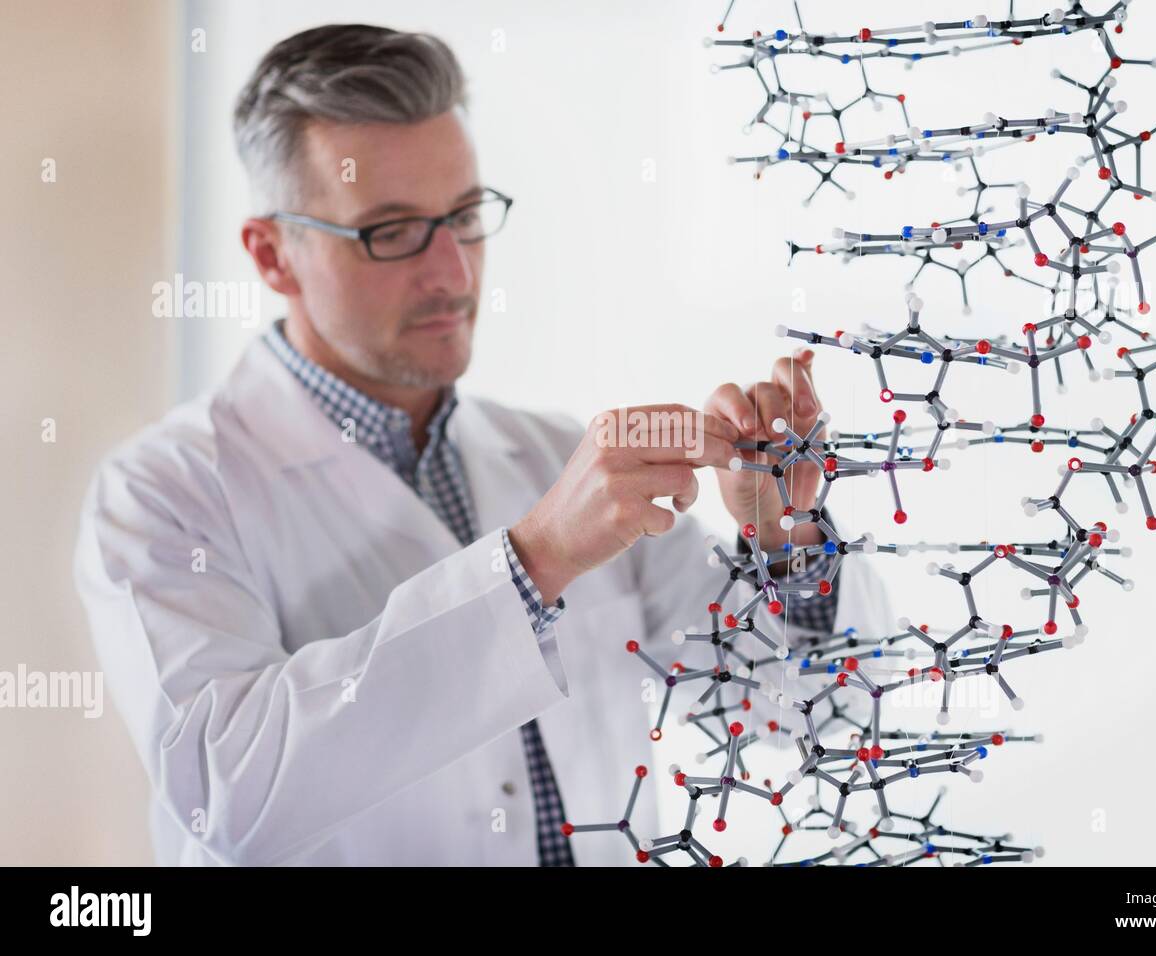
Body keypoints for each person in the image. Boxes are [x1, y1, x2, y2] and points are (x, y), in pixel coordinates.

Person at [74, 23, 889, 866]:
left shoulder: (552, 458)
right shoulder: (163, 493)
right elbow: (228, 798)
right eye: (390, 232)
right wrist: (533, 565)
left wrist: (784, 538)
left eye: (464, 216)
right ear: (272, 254)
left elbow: (807, 715)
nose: (455, 275)